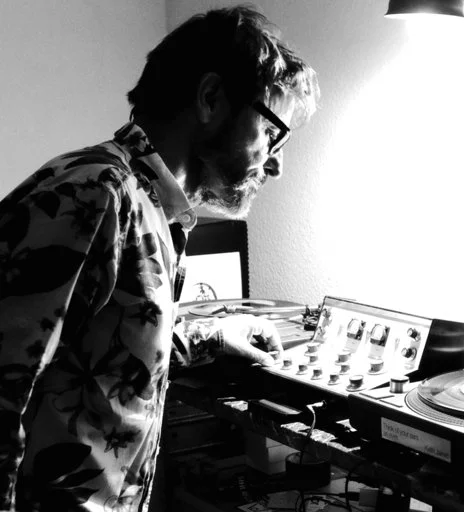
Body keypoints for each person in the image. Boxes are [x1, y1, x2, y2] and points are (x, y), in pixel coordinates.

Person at [0, 5, 319, 511]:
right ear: (211, 98)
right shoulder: (96, 196)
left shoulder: (150, 207)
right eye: (271, 132)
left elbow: (104, 346)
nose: (275, 162)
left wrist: (214, 338)